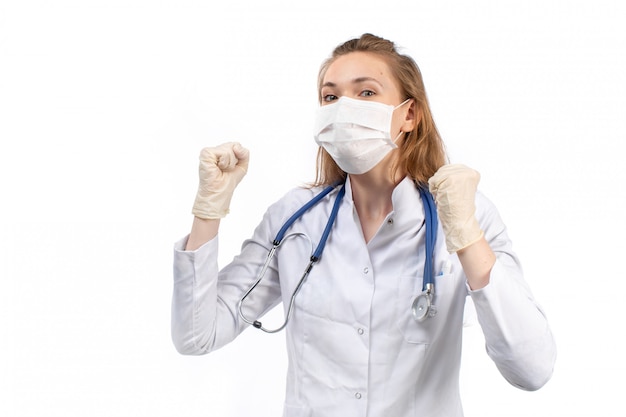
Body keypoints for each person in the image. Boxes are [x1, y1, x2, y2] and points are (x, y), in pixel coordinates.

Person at [171, 33, 556, 417]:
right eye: (331, 97)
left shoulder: (466, 213)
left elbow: (532, 369)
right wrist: (209, 210)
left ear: (409, 114)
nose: (343, 110)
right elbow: (197, 336)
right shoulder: (296, 218)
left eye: (366, 93)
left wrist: (467, 235)